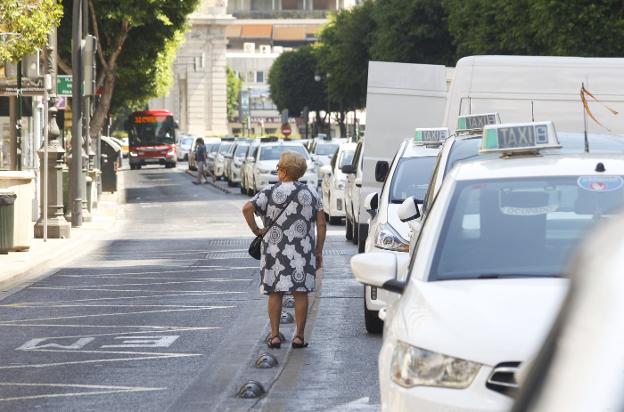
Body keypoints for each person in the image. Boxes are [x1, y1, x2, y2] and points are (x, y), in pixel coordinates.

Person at [242, 151, 327, 349]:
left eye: (279, 167)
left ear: (284, 171)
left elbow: (247, 208)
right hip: (303, 252)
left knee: (275, 293)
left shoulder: (269, 192)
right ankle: (299, 336)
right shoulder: (311, 192)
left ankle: (274, 336)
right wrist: (318, 250)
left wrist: (256, 230)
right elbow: (321, 224)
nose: (277, 171)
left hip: (274, 251)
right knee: (300, 293)